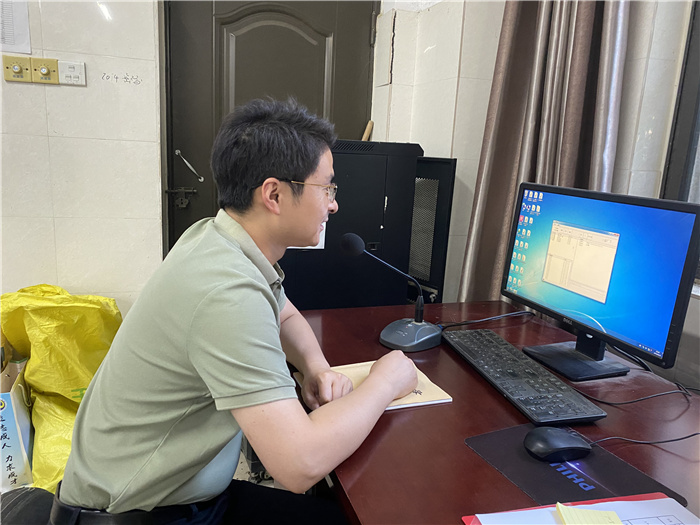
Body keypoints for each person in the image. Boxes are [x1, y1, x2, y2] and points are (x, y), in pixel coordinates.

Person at [49, 98, 418, 525]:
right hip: (140, 516)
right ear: (274, 194)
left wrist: (316, 367)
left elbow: (285, 315)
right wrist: (386, 382)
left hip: (178, 495)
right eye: (327, 188)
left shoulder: (217, 239)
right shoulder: (226, 291)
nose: (333, 205)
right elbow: (299, 464)